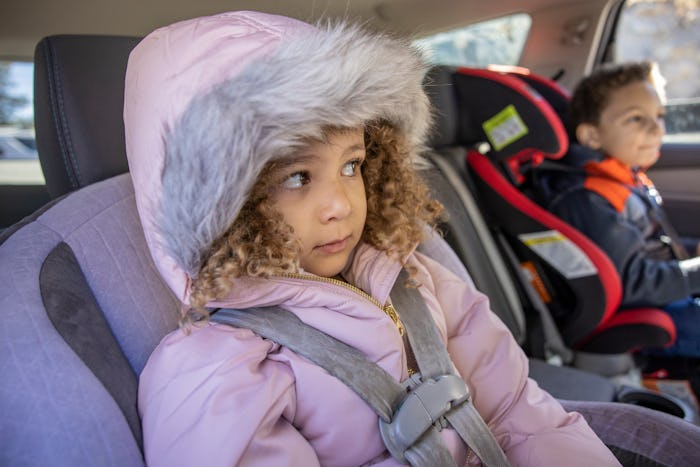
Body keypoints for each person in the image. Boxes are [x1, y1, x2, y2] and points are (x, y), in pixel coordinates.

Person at [124, 10, 620, 466]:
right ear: (226, 202)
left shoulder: (415, 278)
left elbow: (520, 410)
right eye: (297, 177)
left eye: (351, 165)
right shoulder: (220, 371)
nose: (341, 204)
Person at [538, 61, 700, 358]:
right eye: (637, 119)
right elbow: (634, 284)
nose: (656, 128)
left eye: (659, 116)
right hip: (642, 316)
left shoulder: (623, 176)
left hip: (663, 295)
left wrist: (691, 252)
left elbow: (651, 246)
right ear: (592, 136)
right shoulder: (586, 197)